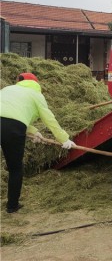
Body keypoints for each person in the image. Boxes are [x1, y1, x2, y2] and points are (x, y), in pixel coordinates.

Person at [0, 72, 75, 213]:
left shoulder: (8, 89)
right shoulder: (36, 95)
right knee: (15, 168)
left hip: (12, 124)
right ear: (36, 84)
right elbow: (49, 119)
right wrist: (64, 139)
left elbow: (10, 113)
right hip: (14, 129)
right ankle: (12, 206)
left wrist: (33, 131)